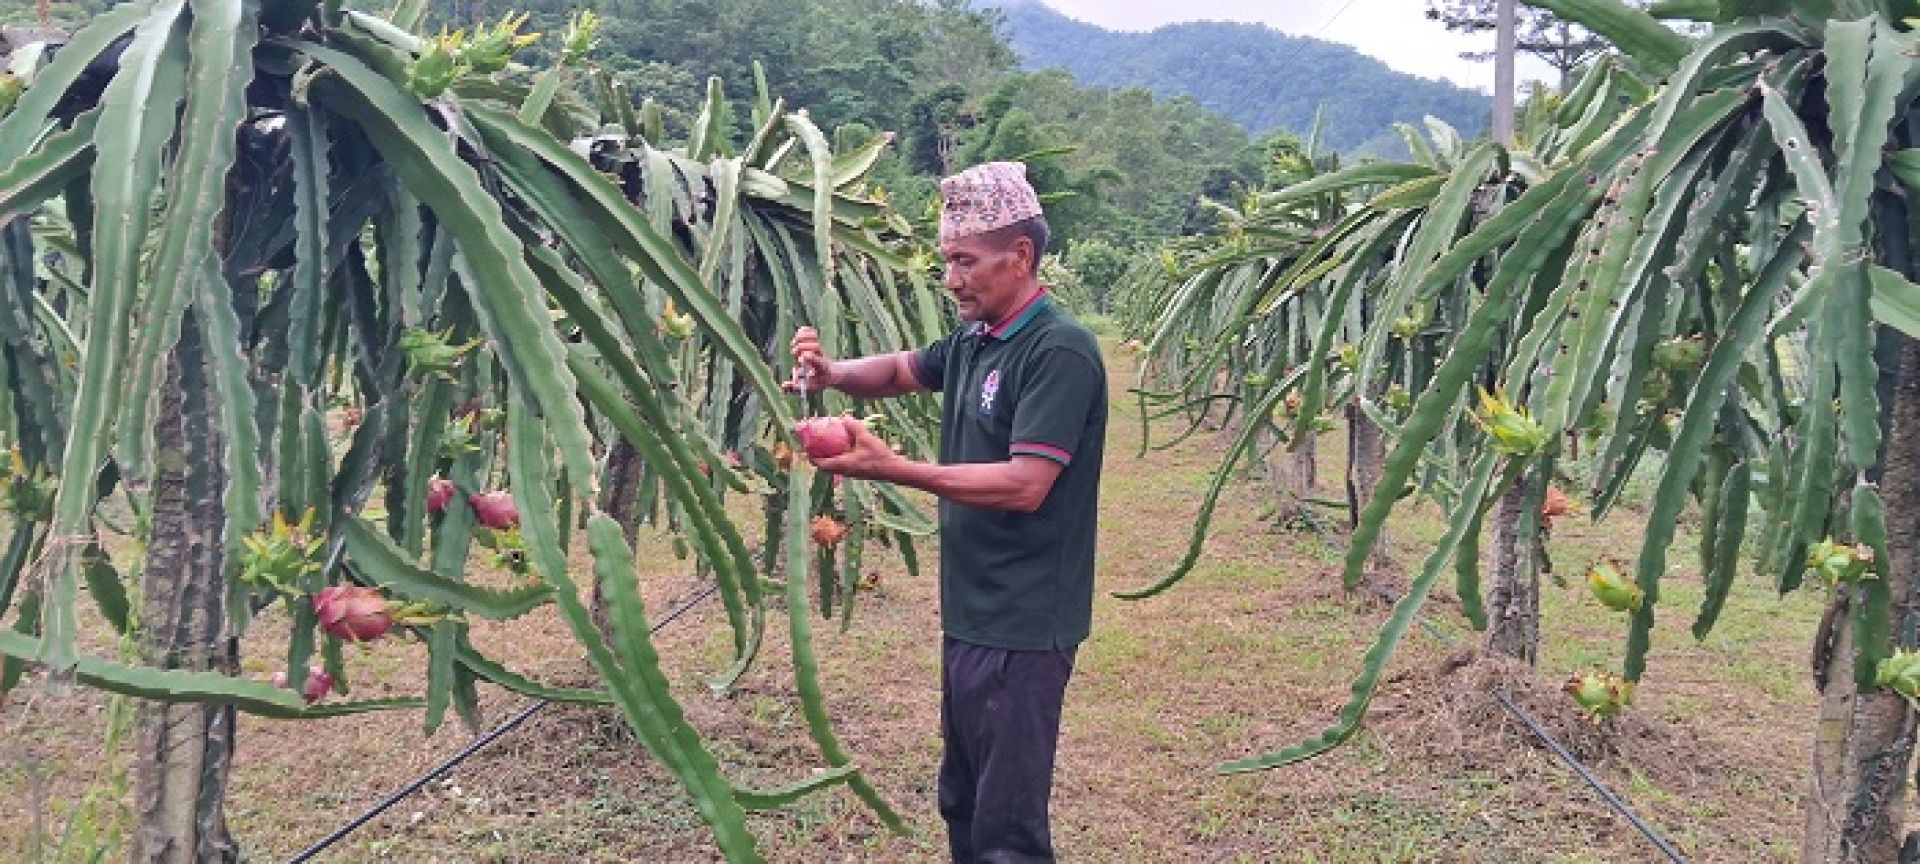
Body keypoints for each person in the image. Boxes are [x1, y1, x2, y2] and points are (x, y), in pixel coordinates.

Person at [788, 161, 1108, 863]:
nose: (952, 279)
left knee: (1007, 827)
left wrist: (892, 469)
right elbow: (903, 371)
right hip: (971, 609)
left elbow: (1027, 483)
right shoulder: (976, 339)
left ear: (1019, 255)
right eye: (946, 262)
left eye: (965, 260)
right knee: (963, 801)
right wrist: (833, 373)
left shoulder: (1058, 349)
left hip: (1024, 620)